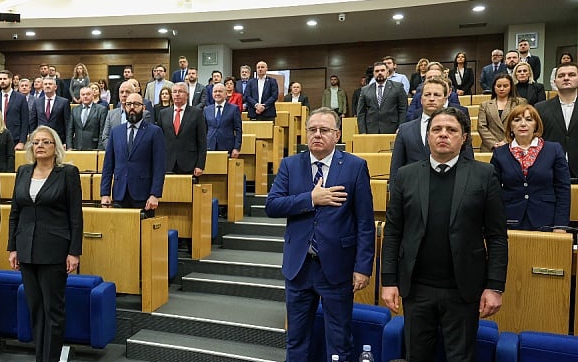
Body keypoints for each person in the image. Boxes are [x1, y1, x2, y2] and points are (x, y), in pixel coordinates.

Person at [381, 107, 507, 362]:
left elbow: (496, 236)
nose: (443, 135)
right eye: (436, 129)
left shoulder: (484, 175)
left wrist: (495, 287)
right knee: (417, 356)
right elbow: (393, 231)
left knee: (460, 358)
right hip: (416, 288)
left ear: (464, 138)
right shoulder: (406, 175)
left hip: (463, 289)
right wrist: (388, 280)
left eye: (451, 130)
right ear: (428, 137)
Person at [265, 107, 375, 361]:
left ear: (337, 134)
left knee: (339, 340)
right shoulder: (291, 164)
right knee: (296, 340)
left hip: (337, 268)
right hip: (299, 267)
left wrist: (363, 267)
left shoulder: (355, 167)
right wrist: (311, 198)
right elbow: (272, 205)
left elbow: (365, 223)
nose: (317, 135)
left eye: (324, 130)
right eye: (312, 130)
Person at [8, 126, 82, 362]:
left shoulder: (68, 173)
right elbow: (15, 212)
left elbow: (75, 215)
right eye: (36, 142)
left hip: (54, 249)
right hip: (26, 249)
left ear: (55, 147)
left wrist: (74, 251)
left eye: (45, 142)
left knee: (53, 311)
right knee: (36, 309)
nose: (39, 145)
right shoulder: (23, 171)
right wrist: (13, 247)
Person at [490, 104, 570, 231]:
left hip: (547, 219)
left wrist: (560, 225)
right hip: (510, 220)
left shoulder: (554, 149)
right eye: (517, 120)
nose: (523, 124)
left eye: (529, 119)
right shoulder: (500, 153)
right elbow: (493, 192)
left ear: (536, 125)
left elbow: (563, 189)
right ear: (511, 126)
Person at [390, 78, 474, 181]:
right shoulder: (405, 129)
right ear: (421, 99)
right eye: (427, 94)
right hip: (413, 188)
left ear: (445, 99)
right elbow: (396, 169)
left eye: (437, 95)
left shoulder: (457, 127)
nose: (431, 98)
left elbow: (468, 159)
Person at [100, 93, 165, 210]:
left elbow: (159, 166)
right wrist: (105, 193)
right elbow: (108, 165)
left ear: (143, 108)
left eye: (136, 104)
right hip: (120, 194)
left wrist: (155, 194)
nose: (132, 107)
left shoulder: (154, 132)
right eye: (128, 104)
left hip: (144, 195)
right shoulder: (116, 132)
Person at [536, 62, 578, 177]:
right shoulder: (540, 108)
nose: (566, 78)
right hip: (551, 169)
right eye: (561, 76)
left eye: (571, 75)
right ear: (554, 82)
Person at [159, 82, 207, 176]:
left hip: (189, 163)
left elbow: (202, 141)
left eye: (180, 91)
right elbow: (159, 141)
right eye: (174, 92)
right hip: (168, 163)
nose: (177, 94)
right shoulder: (163, 113)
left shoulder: (197, 113)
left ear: (187, 95)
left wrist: (200, 165)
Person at [477, 73, 526, 152]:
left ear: (511, 87)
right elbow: (481, 126)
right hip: (490, 148)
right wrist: (494, 143)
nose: (502, 89)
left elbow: (522, 124)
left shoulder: (519, 102)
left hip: (514, 145)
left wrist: (506, 141)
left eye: (505, 86)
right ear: (494, 87)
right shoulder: (485, 105)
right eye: (499, 86)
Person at [357, 61, 407, 133]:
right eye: (377, 71)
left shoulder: (398, 87)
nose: (380, 73)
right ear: (373, 73)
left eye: (382, 70)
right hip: (371, 130)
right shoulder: (365, 90)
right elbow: (361, 113)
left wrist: (401, 127)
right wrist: (362, 132)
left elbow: (403, 109)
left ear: (387, 72)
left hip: (392, 129)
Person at [100, 81, 152, 148]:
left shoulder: (144, 114)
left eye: (127, 92)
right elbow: (105, 137)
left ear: (134, 94)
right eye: (121, 92)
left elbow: (147, 137)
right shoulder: (111, 114)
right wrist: (115, 150)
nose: (124, 95)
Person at [0, 70, 29, 150]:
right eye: (0, 79)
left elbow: (25, 121)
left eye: (5, 79)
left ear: (11, 80)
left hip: (15, 138)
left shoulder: (20, 98)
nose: (2, 81)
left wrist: (22, 141)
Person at [31, 77, 72, 146]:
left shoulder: (64, 102)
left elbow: (67, 124)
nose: (47, 86)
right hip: (41, 140)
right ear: (43, 87)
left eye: (50, 84)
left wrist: (66, 142)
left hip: (59, 140)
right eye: (45, 84)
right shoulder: (37, 102)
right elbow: (33, 123)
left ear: (55, 87)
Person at [205, 83, 242, 158]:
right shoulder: (206, 110)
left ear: (225, 94)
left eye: (220, 91)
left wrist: (236, 148)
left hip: (227, 147)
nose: (217, 93)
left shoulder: (234, 109)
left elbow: (238, 130)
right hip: (210, 147)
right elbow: (203, 130)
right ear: (212, 94)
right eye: (215, 91)